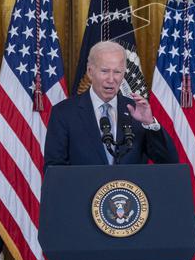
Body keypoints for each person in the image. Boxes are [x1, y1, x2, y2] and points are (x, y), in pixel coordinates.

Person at [44, 40, 178, 169]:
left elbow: (168, 161)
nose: (111, 79)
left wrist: (149, 123)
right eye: (105, 71)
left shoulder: (137, 111)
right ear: (90, 72)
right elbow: (55, 169)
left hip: (128, 191)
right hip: (84, 191)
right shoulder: (64, 113)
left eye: (117, 72)